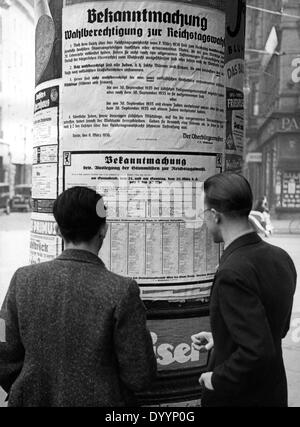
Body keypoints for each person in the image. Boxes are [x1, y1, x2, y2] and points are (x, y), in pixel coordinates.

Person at [0, 186, 156, 407]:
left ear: (57, 230)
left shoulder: (22, 279)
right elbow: (140, 375)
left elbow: (3, 346)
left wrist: (28, 386)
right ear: (103, 229)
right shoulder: (122, 290)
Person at [191, 173, 296, 407]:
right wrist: (222, 338)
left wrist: (217, 378)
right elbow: (275, 329)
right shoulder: (282, 258)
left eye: (204, 214)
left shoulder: (232, 272)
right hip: (274, 392)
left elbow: (257, 351)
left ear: (214, 216)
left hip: (240, 397)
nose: (204, 221)